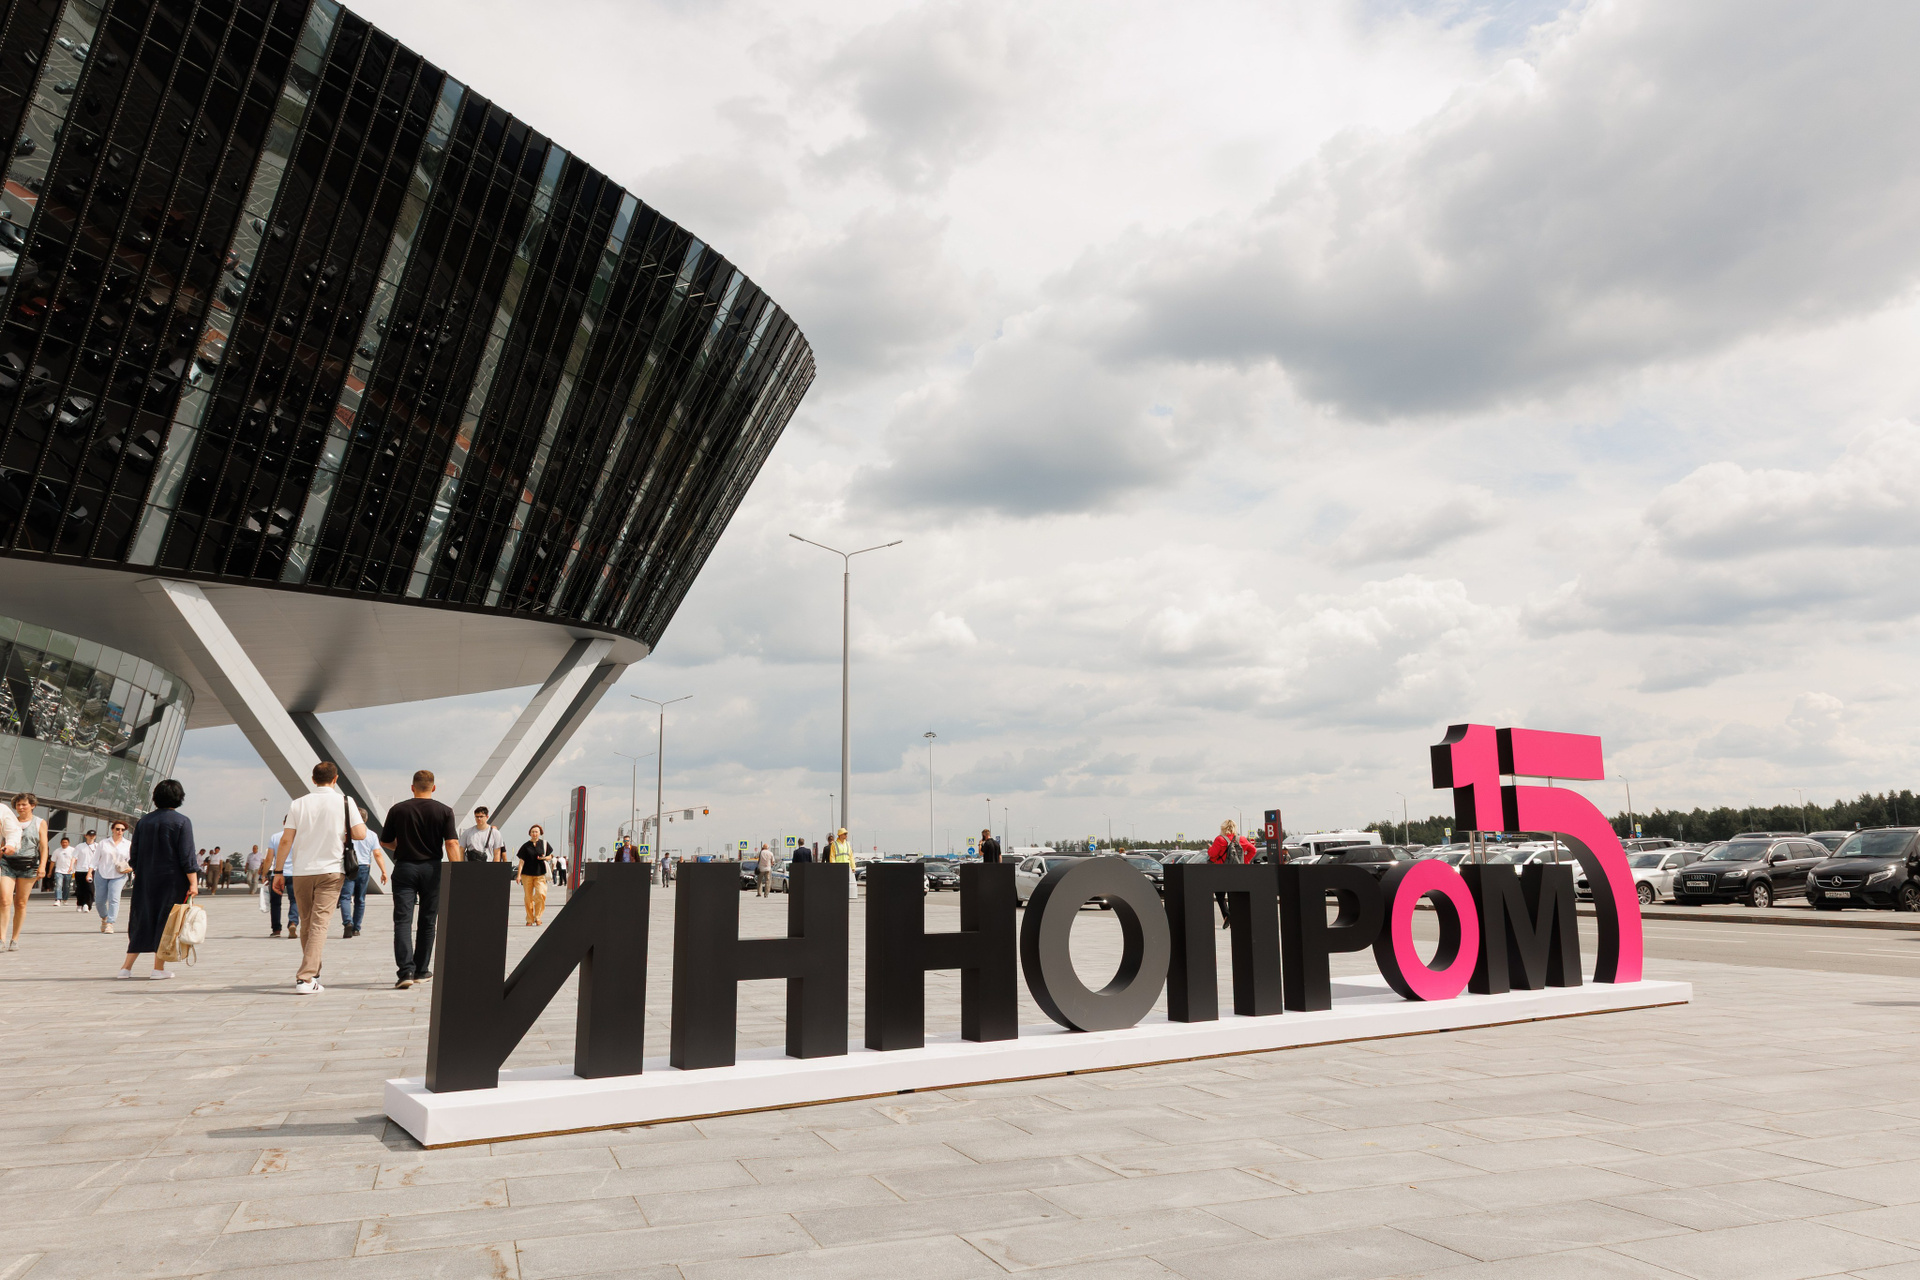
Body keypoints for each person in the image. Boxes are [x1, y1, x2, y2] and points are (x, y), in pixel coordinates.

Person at [270, 761, 368, 995]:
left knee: (307, 922)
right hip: (331, 870)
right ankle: (305, 978)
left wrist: (278, 872)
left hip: (302, 871)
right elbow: (360, 834)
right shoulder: (346, 802)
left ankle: (313, 973)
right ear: (335, 779)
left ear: (313, 779)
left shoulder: (298, 804)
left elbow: (286, 840)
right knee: (319, 923)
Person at [382, 769, 460, 990]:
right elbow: (452, 843)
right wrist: (458, 871)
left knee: (402, 921)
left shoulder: (398, 809)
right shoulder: (444, 811)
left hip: (405, 868)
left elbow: (385, 841)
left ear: (412, 787)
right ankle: (421, 970)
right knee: (428, 921)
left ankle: (405, 971)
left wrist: (403, 846)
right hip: (432, 869)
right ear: (433, 787)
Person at [117, 780, 197, 980]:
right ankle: (158, 968)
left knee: (142, 920)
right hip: (172, 881)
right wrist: (193, 883)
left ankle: (125, 968)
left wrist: (142, 871)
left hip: (145, 879)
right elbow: (187, 856)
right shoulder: (182, 822)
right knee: (166, 921)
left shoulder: (144, 822)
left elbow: (134, 855)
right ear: (179, 797)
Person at [0, 794, 43, 951]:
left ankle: (15, 938)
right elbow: (4, 840)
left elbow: (43, 846)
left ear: (32, 805)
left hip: (28, 865)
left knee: (20, 903)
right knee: (4, 900)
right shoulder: (11, 818)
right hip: (7, 863)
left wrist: (42, 866)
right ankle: (1, 939)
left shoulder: (39, 822)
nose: (20, 807)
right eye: (18, 804)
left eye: (24, 804)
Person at [1207, 819, 1257, 929]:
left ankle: (1227, 915)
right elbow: (1253, 850)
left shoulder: (1220, 839)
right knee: (1233, 894)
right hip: (1237, 872)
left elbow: (1212, 854)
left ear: (1223, 828)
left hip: (1222, 871)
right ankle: (1235, 919)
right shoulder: (1241, 839)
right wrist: (1245, 861)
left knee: (1220, 895)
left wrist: (1210, 849)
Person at [338, 825, 385, 938]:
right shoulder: (371, 834)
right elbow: (377, 854)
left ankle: (347, 923)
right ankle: (356, 928)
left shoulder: (345, 834)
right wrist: (383, 871)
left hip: (349, 866)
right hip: (364, 867)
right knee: (360, 899)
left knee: (345, 897)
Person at [93, 821, 131, 935]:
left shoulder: (128, 844)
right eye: (117, 829)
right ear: (112, 829)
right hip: (102, 873)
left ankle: (110, 923)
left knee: (114, 899)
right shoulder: (103, 843)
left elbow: (132, 859)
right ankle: (104, 918)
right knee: (99, 901)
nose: (120, 831)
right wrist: (90, 872)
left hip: (119, 875)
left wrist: (131, 868)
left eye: (122, 830)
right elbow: (95, 859)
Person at [516, 825, 552, 926]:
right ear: (530, 833)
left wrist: (544, 858)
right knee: (528, 897)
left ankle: (538, 917)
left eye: (536, 832)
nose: (534, 834)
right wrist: (518, 875)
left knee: (541, 894)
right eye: (532, 832)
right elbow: (521, 861)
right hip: (527, 874)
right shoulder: (525, 846)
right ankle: (529, 919)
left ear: (540, 833)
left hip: (540, 874)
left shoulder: (544, 844)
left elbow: (550, 856)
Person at [829, 827, 855, 898]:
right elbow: (832, 856)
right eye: (845, 834)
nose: (846, 835)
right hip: (838, 866)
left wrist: (853, 867)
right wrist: (834, 867)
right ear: (840, 835)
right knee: (838, 883)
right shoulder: (834, 844)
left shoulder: (847, 844)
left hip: (846, 866)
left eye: (846, 834)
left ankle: (844, 896)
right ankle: (837, 896)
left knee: (846, 883)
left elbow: (851, 856)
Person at [52, 836, 77, 905]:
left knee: (67, 886)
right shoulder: (57, 851)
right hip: (59, 871)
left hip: (69, 871)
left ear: (68, 843)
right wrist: (50, 871)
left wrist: (76, 869)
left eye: (66, 842)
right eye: (63, 842)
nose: (64, 844)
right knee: (58, 885)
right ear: (60, 843)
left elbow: (76, 860)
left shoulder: (73, 850)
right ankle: (58, 899)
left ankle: (65, 899)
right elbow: (53, 861)